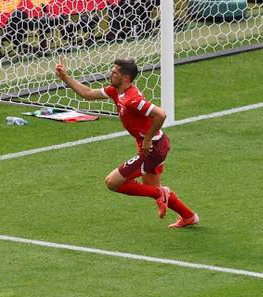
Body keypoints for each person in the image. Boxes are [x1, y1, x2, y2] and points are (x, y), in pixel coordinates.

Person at [55, 57, 199, 228]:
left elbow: (160, 114)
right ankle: (189, 216)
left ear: (125, 78)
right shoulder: (116, 91)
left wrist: (146, 141)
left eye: (115, 72)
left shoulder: (133, 100)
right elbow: (88, 94)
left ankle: (161, 193)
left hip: (153, 148)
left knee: (113, 182)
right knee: (149, 186)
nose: (111, 74)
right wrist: (65, 77)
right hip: (152, 145)